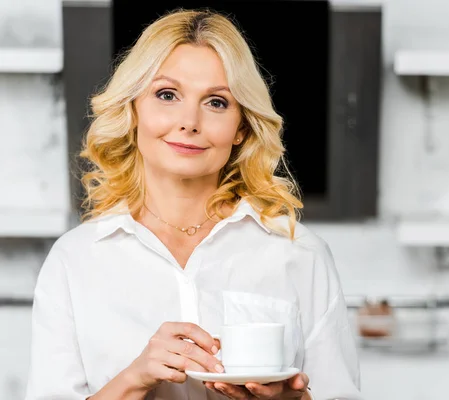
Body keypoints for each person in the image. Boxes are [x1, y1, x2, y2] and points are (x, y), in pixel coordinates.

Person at [25, 8, 362, 400]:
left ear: (241, 128)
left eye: (216, 102)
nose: (189, 121)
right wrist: (133, 378)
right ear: (133, 110)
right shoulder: (74, 261)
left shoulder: (300, 254)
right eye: (167, 95)